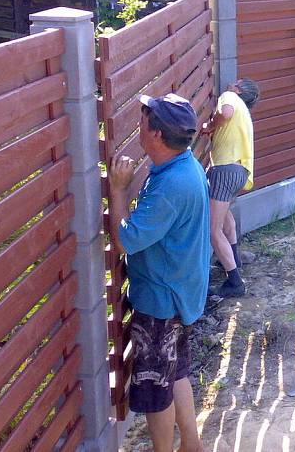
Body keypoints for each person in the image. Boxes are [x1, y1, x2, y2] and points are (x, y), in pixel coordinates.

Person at [107, 93, 208, 452]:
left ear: (157, 136)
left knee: (154, 390)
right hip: (181, 292)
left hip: (161, 303)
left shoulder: (171, 187)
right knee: (175, 370)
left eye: (144, 119)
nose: (140, 123)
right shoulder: (183, 166)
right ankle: (192, 445)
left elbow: (125, 241)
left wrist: (118, 189)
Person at [201, 78, 260, 298]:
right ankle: (233, 260)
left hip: (225, 170)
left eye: (235, 83)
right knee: (226, 220)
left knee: (212, 229)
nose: (229, 84)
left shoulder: (229, 98)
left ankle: (235, 282)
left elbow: (224, 113)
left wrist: (209, 127)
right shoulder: (245, 111)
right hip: (240, 172)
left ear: (239, 90)